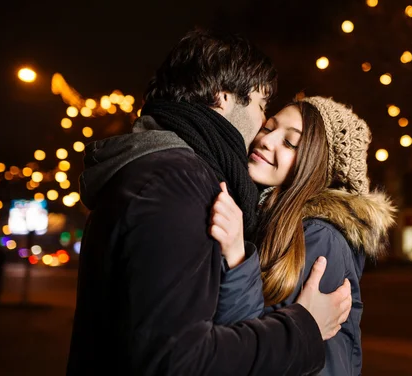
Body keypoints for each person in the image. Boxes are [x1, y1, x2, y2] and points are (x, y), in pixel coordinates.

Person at [67, 30, 353, 376]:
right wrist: (302, 330)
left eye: (291, 142)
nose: (263, 128)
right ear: (223, 97)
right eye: (263, 108)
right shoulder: (178, 182)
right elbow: (178, 361)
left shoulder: (177, 176)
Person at [211, 96, 396, 375]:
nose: (266, 140)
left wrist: (238, 258)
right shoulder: (263, 219)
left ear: (316, 165)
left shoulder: (321, 239)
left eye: (289, 142)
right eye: (268, 127)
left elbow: (259, 353)